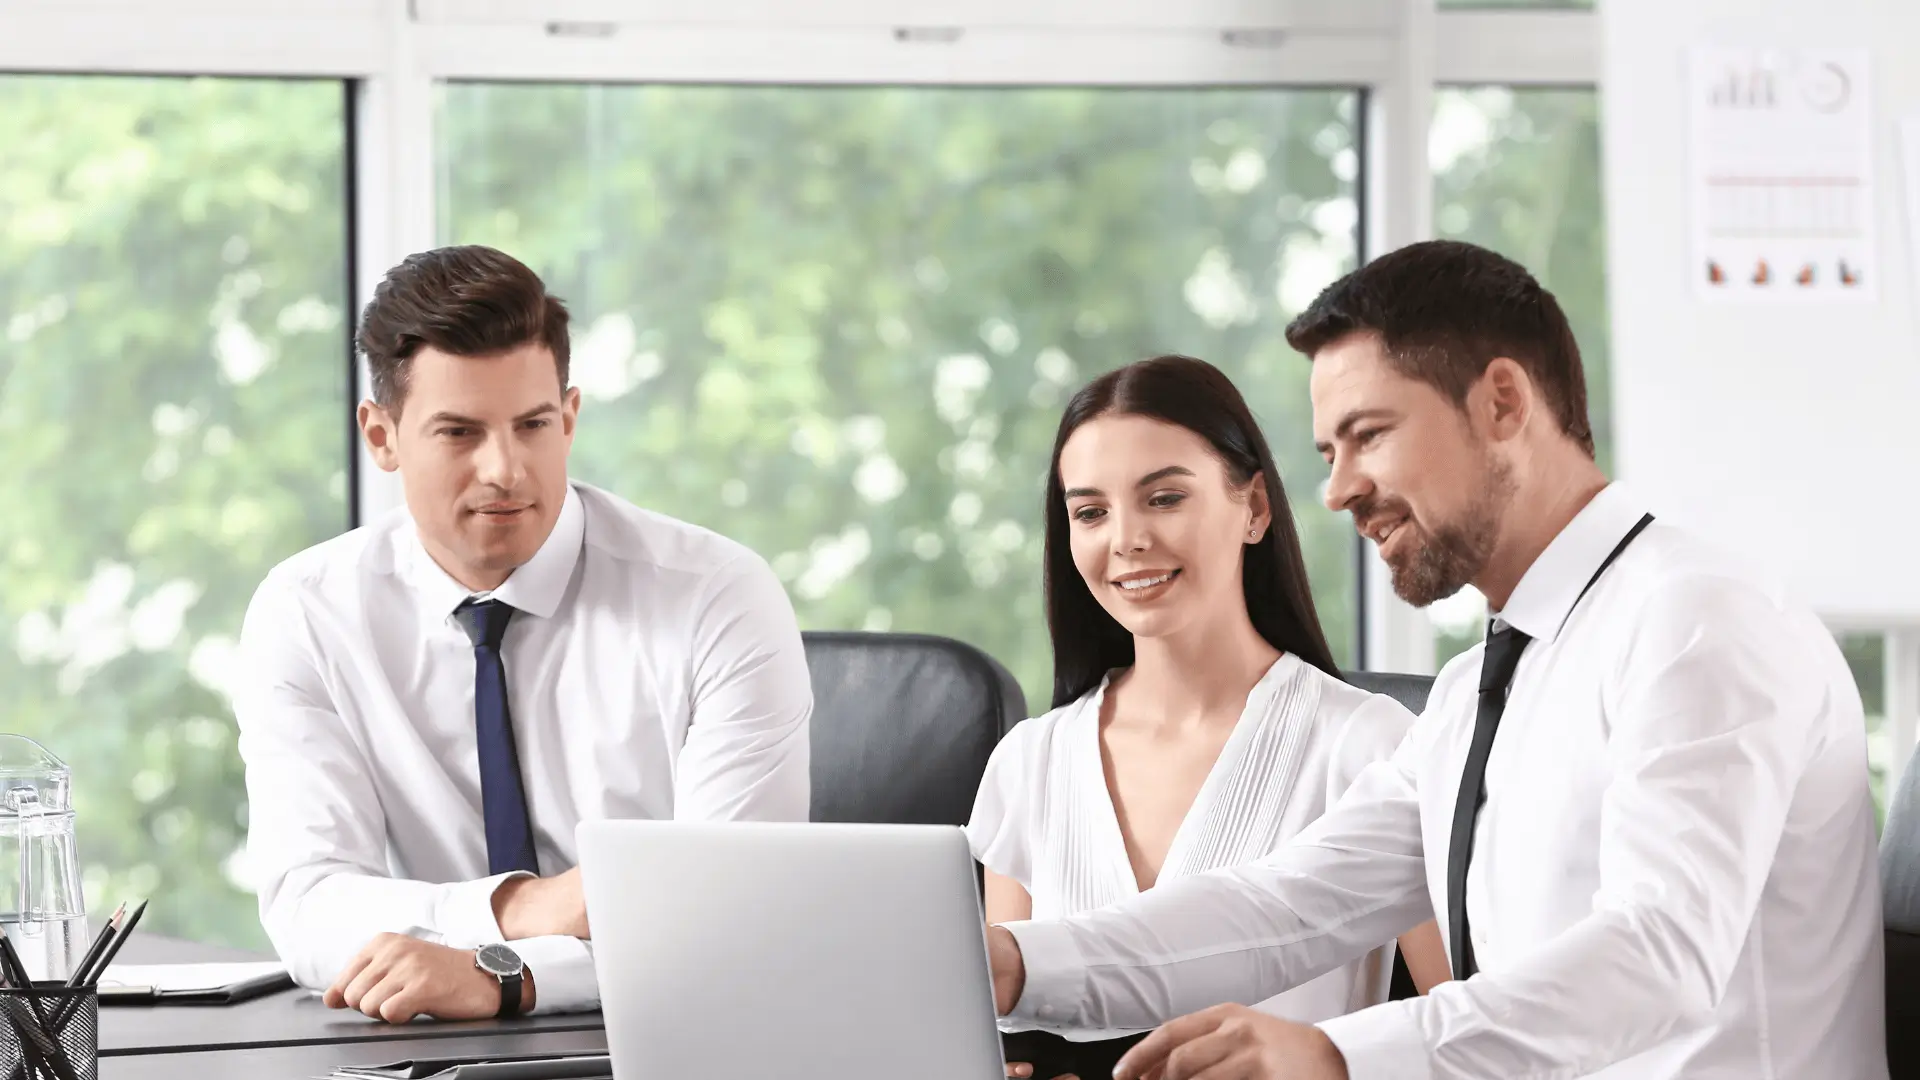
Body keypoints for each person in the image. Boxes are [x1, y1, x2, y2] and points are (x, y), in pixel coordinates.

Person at [982, 240, 1887, 1080]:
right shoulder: (1476, 691)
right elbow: (1292, 905)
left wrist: (1335, 1055)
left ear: (1502, 401)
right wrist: (1020, 964)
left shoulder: (1695, 620)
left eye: (1369, 435)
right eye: (1329, 453)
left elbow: (1661, 954)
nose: (1337, 491)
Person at [233, 246, 812, 1024]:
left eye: (532, 425)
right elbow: (308, 905)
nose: (505, 469)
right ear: (382, 437)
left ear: (568, 417)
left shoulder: (716, 598)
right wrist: (518, 912)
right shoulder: (309, 612)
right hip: (425, 1052)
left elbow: (732, 917)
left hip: (689, 1042)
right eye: (459, 433)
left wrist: (503, 975)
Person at [971, 356, 1449, 1080]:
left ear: (1254, 508)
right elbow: (996, 1029)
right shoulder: (1029, 762)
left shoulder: (1374, 747)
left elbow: (1472, 1034)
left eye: (1163, 498)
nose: (1126, 538)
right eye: (1091, 512)